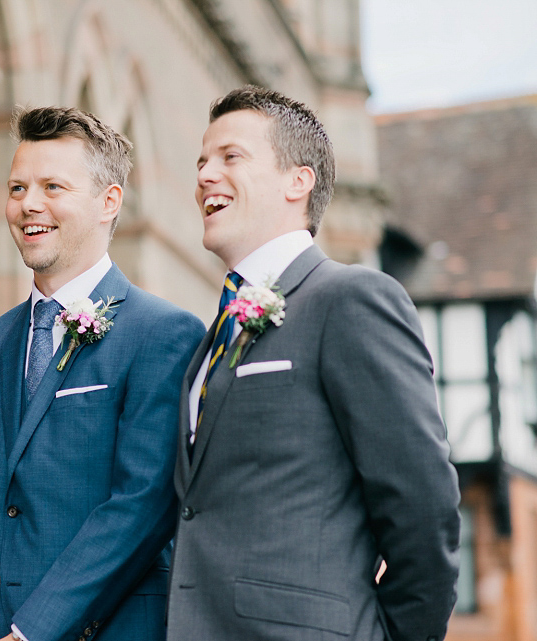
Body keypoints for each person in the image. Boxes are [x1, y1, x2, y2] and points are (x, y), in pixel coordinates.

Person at [167, 85, 461, 640]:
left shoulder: (351, 299)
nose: (205, 174)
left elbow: (423, 509)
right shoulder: (210, 342)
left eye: (231, 157)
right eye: (202, 161)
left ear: (297, 181)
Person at [0, 106, 205, 641]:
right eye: (17, 187)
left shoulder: (164, 334)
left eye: (53, 186)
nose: (29, 204)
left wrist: (32, 631)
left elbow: (140, 505)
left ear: (108, 202)